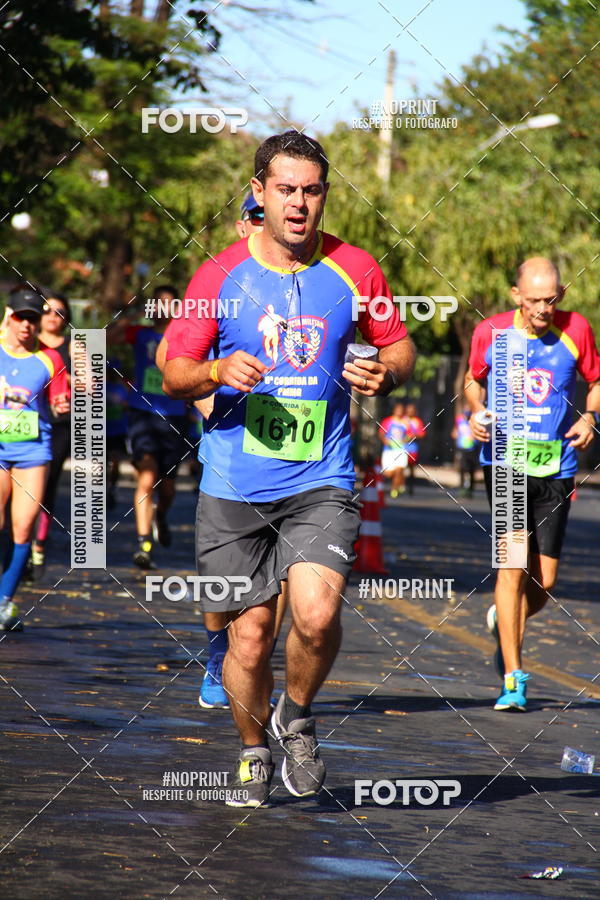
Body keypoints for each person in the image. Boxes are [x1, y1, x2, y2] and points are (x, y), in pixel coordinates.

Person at [163, 130, 415, 806]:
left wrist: (386, 372)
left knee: (317, 613)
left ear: (324, 194)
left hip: (320, 477)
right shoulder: (217, 277)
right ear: (259, 193)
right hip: (234, 482)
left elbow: (401, 343)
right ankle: (252, 752)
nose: (300, 203)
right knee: (247, 640)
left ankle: (296, 715)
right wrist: (215, 369)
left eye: (312, 190)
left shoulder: (356, 270)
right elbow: (172, 369)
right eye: (286, 189)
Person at [156, 192, 288, 711]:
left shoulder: (303, 278)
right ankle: (218, 654)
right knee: (224, 582)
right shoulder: (218, 278)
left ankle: (252, 667)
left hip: (299, 457)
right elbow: (170, 356)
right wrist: (209, 387)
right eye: (257, 216)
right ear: (242, 223)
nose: (266, 222)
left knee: (272, 584)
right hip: (231, 451)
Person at [465, 257, 600, 712]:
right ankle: (512, 679)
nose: (544, 308)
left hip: (556, 467)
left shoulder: (576, 328)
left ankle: (502, 619)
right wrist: (475, 410)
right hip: (505, 464)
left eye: (552, 299)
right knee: (511, 568)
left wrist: (590, 415)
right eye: (535, 300)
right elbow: (472, 381)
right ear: (516, 295)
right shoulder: (492, 333)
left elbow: (596, 379)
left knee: (543, 583)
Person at [0, 287, 69, 631]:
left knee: (23, 527)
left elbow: (61, 398)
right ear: (8, 315)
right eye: (19, 317)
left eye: (32, 318)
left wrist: (63, 404)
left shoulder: (50, 359)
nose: (26, 325)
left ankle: (4, 603)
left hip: (32, 449)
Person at [110, 284, 189, 569]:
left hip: (174, 416)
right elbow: (108, 338)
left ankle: (161, 517)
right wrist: (132, 313)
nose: (165, 309)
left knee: (167, 488)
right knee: (146, 477)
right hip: (142, 413)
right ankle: (144, 543)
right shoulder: (141, 333)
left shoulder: (186, 335)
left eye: (171, 304)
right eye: (160, 303)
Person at [27, 290, 72, 576]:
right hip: (24, 424)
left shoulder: (74, 347)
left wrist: (72, 383)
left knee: (45, 486)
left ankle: (38, 545)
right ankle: (20, 541)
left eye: (58, 311)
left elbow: (91, 384)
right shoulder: (27, 344)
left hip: (58, 426)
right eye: (46, 310)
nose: (51, 316)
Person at [106, 360, 129, 510]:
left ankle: (112, 486)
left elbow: (128, 406)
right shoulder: (99, 386)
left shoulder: (123, 389)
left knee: (116, 461)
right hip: (102, 430)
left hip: (118, 430)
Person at [379, 401, 408, 498]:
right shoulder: (388, 421)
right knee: (388, 474)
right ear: (394, 411)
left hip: (401, 450)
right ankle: (398, 484)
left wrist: (408, 438)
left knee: (399, 470)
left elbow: (411, 434)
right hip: (389, 450)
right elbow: (381, 433)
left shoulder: (405, 422)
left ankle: (394, 490)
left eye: (401, 410)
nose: (399, 412)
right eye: (398, 410)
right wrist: (384, 440)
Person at [452, 406, 479, 497]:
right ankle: (462, 487)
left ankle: (471, 488)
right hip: (462, 447)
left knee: (471, 469)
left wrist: (474, 437)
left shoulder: (475, 422)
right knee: (462, 468)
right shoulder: (460, 422)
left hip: (472, 448)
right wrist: (455, 434)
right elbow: (455, 432)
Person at [403, 402, 425, 494]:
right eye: (408, 410)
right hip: (402, 447)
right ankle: (401, 486)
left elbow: (422, 434)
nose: (410, 412)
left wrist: (414, 436)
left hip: (413, 448)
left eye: (412, 410)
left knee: (411, 467)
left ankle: (411, 486)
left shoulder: (417, 421)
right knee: (401, 467)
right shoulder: (402, 420)